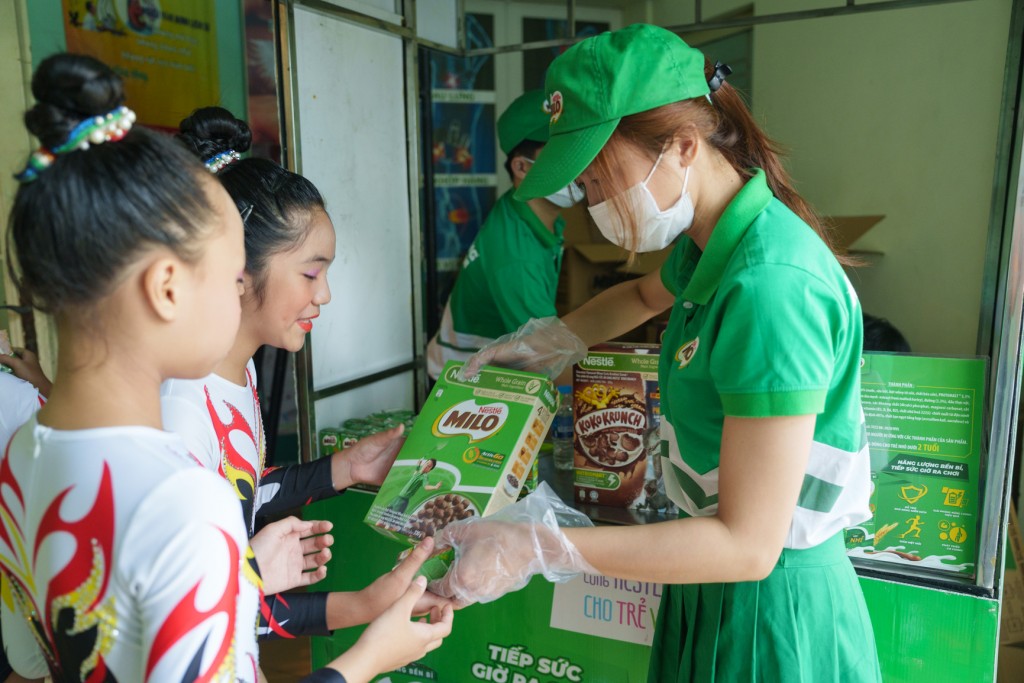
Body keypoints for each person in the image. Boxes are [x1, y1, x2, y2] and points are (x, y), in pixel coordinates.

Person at [434, 24, 881, 683]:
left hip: (769, 609)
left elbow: (749, 543)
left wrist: (539, 544)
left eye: (597, 177)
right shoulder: (712, 244)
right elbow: (643, 294)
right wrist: (552, 340)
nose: (592, 203)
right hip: (707, 579)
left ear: (682, 146)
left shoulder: (770, 288)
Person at [0, 54, 450, 682]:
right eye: (230, 270)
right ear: (166, 287)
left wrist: (290, 571)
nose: (239, 290)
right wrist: (368, 660)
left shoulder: (23, 448)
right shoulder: (185, 501)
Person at [166, 106, 453, 639]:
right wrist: (254, 571)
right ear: (238, 268)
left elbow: (242, 492)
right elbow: (195, 618)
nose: (324, 295)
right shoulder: (181, 409)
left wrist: (341, 470)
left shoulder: (236, 372)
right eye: (310, 272)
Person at [425, 90, 584, 378]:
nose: (576, 163)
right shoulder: (516, 255)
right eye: (559, 153)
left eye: (574, 147)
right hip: (463, 380)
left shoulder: (529, 212)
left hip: (494, 370)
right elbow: (548, 355)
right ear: (522, 167)